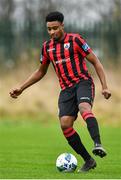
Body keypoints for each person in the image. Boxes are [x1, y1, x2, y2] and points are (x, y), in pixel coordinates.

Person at [9, 11, 111, 172]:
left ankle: (98, 144)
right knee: (65, 125)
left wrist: (104, 86)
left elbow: (96, 62)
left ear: (62, 25)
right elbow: (40, 71)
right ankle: (89, 160)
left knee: (85, 108)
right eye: (49, 29)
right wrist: (21, 88)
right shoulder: (47, 47)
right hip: (66, 89)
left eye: (55, 28)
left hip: (83, 82)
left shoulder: (76, 40)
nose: (52, 32)